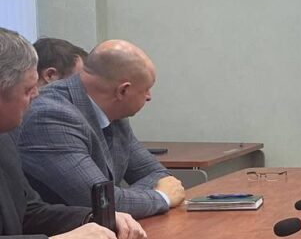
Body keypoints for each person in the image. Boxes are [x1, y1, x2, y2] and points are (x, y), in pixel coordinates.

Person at [0, 28, 146, 239]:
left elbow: (28, 212)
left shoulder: (5, 136)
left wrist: (94, 220)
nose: (37, 95)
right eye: (28, 89)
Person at [17, 40, 186, 219]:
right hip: (58, 233)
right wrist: (161, 197)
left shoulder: (115, 112)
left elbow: (158, 175)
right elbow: (103, 204)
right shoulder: (50, 115)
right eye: (146, 89)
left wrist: (124, 198)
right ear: (123, 91)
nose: (149, 97)